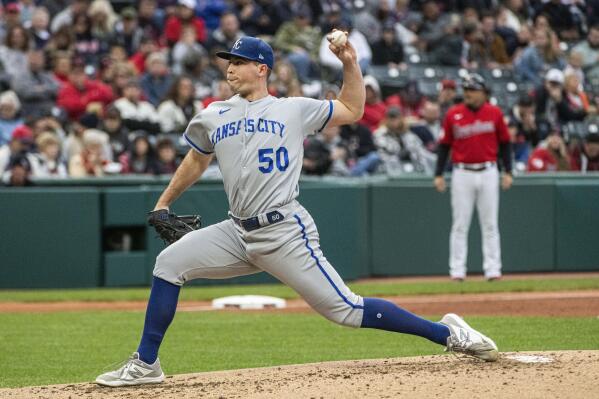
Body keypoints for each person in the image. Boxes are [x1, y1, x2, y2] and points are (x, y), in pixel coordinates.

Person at [95, 35, 499, 387]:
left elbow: (352, 109)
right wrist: (164, 202)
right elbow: (197, 159)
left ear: (261, 68)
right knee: (169, 263)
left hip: (284, 232)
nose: (229, 69)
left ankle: (448, 334)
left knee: (346, 310)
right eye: (228, 62)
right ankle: (146, 363)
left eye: (237, 62)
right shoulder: (214, 113)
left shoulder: (293, 108)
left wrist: (349, 63)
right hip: (236, 233)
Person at [434, 73, 513, 282]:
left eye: (472, 90)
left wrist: (509, 171)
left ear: (482, 93)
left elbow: (505, 143)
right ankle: (457, 271)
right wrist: (439, 174)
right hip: (462, 172)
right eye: (466, 90)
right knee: (460, 224)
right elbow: (444, 146)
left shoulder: (494, 113)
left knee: (490, 224)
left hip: (489, 170)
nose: (468, 94)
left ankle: (493, 270)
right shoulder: (454, 114)